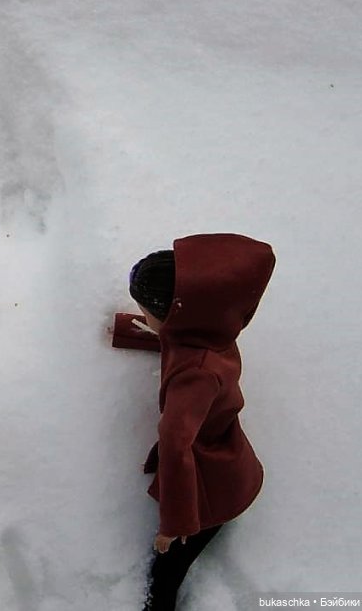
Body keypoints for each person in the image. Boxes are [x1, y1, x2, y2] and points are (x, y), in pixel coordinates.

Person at [111, 233, 276, 610]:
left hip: (210, 489)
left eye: (147, 312)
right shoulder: (214, 326)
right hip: (227, 459)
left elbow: (176, 444)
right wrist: (127, 329)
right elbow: (175, 339)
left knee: (166, 570)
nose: (146, 318)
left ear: (177, 315)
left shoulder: (195, 376)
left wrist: (176, 524)